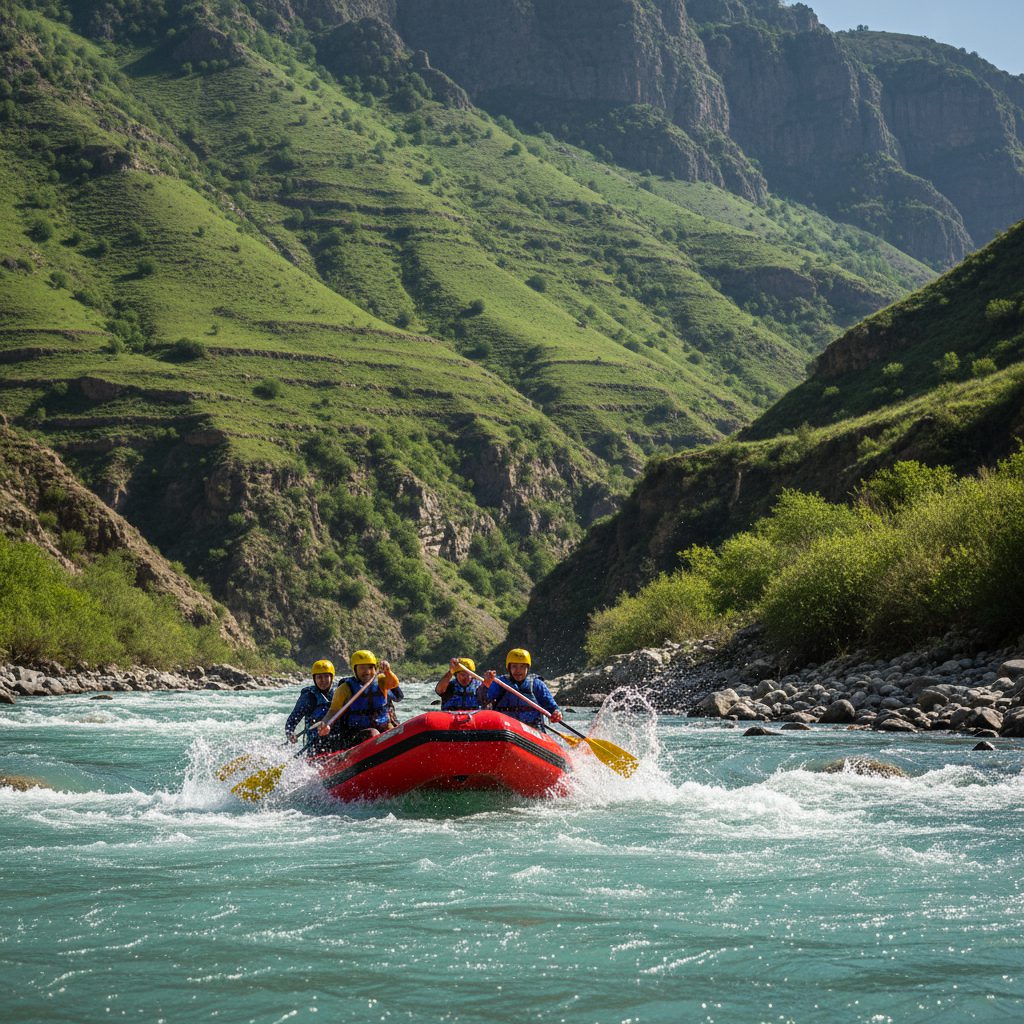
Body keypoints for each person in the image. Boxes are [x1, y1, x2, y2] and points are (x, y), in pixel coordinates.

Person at [316, 649, 400, 751]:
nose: (367, 671)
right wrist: (325, 723)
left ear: (375, 668)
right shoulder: (345, 688)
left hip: (384, 727)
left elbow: (394, 684)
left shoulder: (381, 680)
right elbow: (333, 711)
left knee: (396, 732)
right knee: (373, 733)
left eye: (370, 667)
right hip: (355, 734)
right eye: (362, 668)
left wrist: (387, 671)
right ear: (355, 669)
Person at [485, 648, 562, 730]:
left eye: (522, 666)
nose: (518, 670)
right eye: (514, 666)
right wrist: (486, 685)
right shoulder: (500, 683)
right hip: (505, 728)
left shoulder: (536, 684)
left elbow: (552, 706)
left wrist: (556, 713)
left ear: (527, 668)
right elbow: (484, 699)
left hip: (532, 729)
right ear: (509, 668)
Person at [285, 659, 337, 753]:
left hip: (337, 740)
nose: (323, 680)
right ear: (314, 679)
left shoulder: (339, 694)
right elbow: (292, 720)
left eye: (326, 676)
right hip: (316, 744)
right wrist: (290, 733)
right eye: (319, 677)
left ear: (332, 677)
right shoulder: (308, 697)